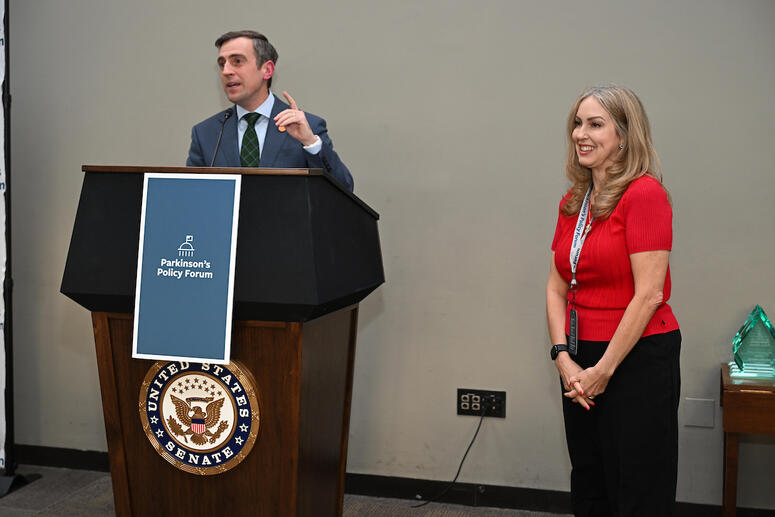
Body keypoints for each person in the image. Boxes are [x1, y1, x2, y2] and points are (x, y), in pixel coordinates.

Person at [545, 85, 681, 516]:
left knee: (638, 488)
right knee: (590, 481)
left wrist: (604, 370)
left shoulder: (644, 194)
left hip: (637, 356)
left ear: (624, 135)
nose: (580, 134)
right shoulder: (573, 201)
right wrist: (563, 358)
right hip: (580, 358)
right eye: (577, 123)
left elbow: (649, 294)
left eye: (595, 124)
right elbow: (556, 287)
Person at [187, 30, 354, 192]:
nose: (226, 71)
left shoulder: (307, 126)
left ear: (267, 70)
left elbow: (344, 189)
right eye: (222, 64)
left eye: (237, 61)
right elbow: (191, 194)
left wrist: (310, 143)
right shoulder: (206, 133)